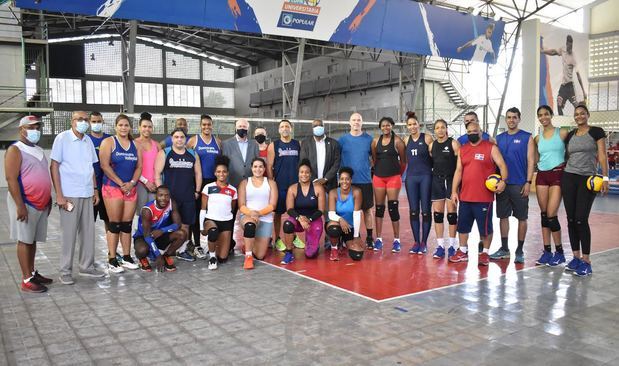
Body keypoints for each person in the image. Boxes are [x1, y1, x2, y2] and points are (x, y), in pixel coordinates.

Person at [51, 111, 106, 284]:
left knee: (88, 233)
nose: (82, 122)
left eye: (85, 120)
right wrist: (59, 195)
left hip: (87, 193)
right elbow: (54, 166)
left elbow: (91, 168)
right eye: (79, 119)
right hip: (69, 194)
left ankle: (86, 266)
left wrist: (95, 190)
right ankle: (65, 270)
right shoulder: (62, 138)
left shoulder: (88, 140)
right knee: (69, 234)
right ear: (72, 121)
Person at [449, 121, 508, 266]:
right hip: (465, 196)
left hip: (484, 197)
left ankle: (485, 253)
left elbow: (502, 166)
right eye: (469, 132)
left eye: (475, 131)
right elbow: (458, 171)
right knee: (462, 227)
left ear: (481, 131)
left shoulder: (491, 147)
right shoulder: (463, 149)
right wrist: (453, 191)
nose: (472, 134)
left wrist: (503, 181)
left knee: (486, 229)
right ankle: (462, 251)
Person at [5, 116, 53, 292]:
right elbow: (11, 179)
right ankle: (26, 279)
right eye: (31, 127)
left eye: (37, 127)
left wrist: (48, 198)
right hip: (25, 202)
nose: (35, 130)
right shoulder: (15, 150)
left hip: (40, 203)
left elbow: (42, 175)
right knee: (24, 240)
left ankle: (32, 272)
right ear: (21, 129)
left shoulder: (39, 150)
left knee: (32, 239)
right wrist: (20, 205)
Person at [562, 104, 609, 276]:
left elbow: (602, 155)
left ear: (588, 115)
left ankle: (586, 260)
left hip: (587, 179)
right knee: (571, 219)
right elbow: (567, 156)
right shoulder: (571, 135)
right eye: (576, 114)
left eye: (582, 113)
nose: (579, 116)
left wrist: (605, 177)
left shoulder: (596, 131)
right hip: (569, 178)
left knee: (581, 219)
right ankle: (575, 257)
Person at [490, 107, 534, 264]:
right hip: (503, 184)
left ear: (519, 119)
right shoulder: (499, 138)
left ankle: (520, 250)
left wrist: (528, 182)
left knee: (522, 218)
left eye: (514, 117)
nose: (511, 120)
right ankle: (504, 249)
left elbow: (531, 161)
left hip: (520, 184)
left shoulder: (527, 137)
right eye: (508, 117)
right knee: (503, 216)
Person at [99, 114, 142, 273]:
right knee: (115, 224)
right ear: (115, 127)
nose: (124, 128)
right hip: (112, 187)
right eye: (121, 125)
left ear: (130, 127)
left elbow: (139, 167)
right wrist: (120, 183)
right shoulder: (109, 142)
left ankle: (126, 256)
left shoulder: (135, 145)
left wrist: (131, 183)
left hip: (130, 188)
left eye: (126, 125)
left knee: (127, 224)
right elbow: (104, 165)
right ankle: (112, 259)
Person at [155, 128, 202, 262]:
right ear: (172, 139)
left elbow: (198, 173)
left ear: (186, 139)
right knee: (169, 224)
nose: (179, 139)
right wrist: (161, 194)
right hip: (171, 197)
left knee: (186, 224)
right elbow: (157, 174)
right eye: (176, 137)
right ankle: (165, 250)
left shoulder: (193, 153)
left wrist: (197, 191)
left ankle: (182, 250)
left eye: (182, 137)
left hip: (188, 195)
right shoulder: (165, 152)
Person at [533, 105, 567, 266]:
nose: (543, 117)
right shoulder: (537, 138)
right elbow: (535, 158)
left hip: (558, 173)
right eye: (540, 115)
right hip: (542, 175)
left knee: (552, 214)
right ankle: (547, 251)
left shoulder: (562, 132)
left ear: (551, 115)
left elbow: (572, 152)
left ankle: (560, 252)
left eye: (546, 114)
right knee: (544, 214)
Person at [222, 118, 259, 252]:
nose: (242, 128)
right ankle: (228, 243)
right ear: (235, 128)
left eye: (244, 126)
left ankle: (251, 243)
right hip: (232, 184)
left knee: (249, 215)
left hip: (249, 186)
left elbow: (256, 162)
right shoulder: (226, 144)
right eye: (240, 126)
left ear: (248, 129)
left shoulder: (254, 144)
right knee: (229, 216)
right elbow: (225, 164)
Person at [187, 114, 222, 260]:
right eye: (204, 125)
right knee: (196, 213)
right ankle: (195, 244)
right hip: (198, 182)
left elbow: (221, 164)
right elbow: (187, 158)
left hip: (214, 182)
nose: (206, 127)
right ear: (200, 126)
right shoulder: (194, 140)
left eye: (209, 124)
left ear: (212, 125)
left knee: (212, 212)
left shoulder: (218, 142)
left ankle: (215, 242)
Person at [339, 112, 375, 249]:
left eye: (358, 120)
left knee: (366, 210)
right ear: (349, 122)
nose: (356, 122)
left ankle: (370, 237)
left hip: (365, 181)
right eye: (353, 120)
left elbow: (374, 159)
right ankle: (353, 235)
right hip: (348, 183)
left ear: (362, 122)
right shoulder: (342, 140)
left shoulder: (368, 139)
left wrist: (365, 168)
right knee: (349, 211)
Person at [371, 116, 406, 252]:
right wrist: (379, 171)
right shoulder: (375, 141)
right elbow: (374, 159)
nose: (385, 127)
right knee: (379, 209)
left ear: (392, 126)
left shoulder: (398, 141)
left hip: (393, 178)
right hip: (379, 177)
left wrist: (397, 174)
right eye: (383, 126)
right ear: (380, 127)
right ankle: (378, 239)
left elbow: (403, 162)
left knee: (393, 208)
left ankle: (396, 240)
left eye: (388, 125)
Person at [281, 160, 326, 264]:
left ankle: (312, 243)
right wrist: (300, 218)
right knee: (287, 224)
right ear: (298, 173)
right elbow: (290, 209)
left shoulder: (318, 188)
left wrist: (309, 219)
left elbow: (321, 210)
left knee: (310, 255)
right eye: (301, 172)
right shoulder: (292, 188)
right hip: (298, 219)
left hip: (313, 219)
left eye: (306, 172)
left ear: (310, 174)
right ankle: (289, 253)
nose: (304, 174)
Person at [267, 119, 303, 251]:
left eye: (287, 126)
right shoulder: (273, 145)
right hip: (280, 185)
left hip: (294, 186)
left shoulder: (297, 144)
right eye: (282, 126)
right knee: (278, 213)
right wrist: (272, 185)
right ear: (279, 130)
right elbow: (269, 166)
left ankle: (292, 237)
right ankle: (277, 239)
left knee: (293, 213)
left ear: (291, 128)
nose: (284, 128)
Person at [133, 185, 186, 272]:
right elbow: (147, 236)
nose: (164, 198)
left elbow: (177, 224)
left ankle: (166, 256)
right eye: (160, 195)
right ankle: (142, 258)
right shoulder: (147, 210)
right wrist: (158, 256)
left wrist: (162, 230)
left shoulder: (171, 203)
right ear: (155, 196)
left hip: (160, 234)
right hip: (144, 237)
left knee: (182, 234)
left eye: (167, 195)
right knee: (142, 250)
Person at [428, 119, 460, 259]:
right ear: (434, 130)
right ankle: (440, 246)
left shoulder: (453, 143)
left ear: (446, 129)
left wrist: (457, 185)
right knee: (438, 214)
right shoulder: (431, 146)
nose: (440, 130)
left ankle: (452, 245)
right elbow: (431, 163)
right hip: (437, 181)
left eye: (442, 127)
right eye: (437, 128)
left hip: (451, 180)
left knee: (452, 214)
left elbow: (460, 166)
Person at [199, 156, 237, 270]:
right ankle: (211, 257)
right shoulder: (208, 187)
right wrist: (201, 227)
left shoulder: (233, 190)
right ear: (215, 173)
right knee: (213, 232)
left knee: (223, 258)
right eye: (219, 171)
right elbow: (203, 209)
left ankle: (229, 244)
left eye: (224, 171)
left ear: (228, 173)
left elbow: (232, 208)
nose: (222, 174)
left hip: (226, 222)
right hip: (211, 220)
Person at [403, 112, 433, 254]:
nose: (412, 126)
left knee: (426, 211)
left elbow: (435, 156)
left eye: (414, 123)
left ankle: (424, 243)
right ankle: (416, 242)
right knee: (414, 211)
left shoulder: (427, 138)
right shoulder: (405, 140)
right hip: (411, 178)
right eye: (409, 124)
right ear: (407, 126)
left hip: (426, 177)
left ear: (419, 125)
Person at [238, 158, 278, 265]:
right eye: (255, 166)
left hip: (265, 218)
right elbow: (241, 205)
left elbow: (273, 205)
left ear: (264, 168)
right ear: (251, 168)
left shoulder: (271, 183)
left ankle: (249, 243)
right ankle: (248, 257)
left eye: (260, 166)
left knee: (260, 256)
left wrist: (258, 213)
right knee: (250, 225)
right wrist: (252, 213)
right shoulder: (245, 183)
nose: (258, 169)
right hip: (248, 216)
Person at [542, 35, 587, 116]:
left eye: (571, 46)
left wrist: (583, 92)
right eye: (569, 46)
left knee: (576, 106)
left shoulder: (573, 57)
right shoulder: (563, 49)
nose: (570, 48)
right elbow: (553, 52)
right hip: (563, 86)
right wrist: (543, 51)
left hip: (570, 87)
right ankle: (562, 121)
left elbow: (578, 76)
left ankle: (581, 118)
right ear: (566, 44)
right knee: (559, 104)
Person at [326, 167, 364, 261]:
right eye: (342, 179)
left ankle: (343, 241)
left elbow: (357, 215)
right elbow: (331, 214)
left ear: (351, 180)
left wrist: (356, 236)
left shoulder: (356, 192)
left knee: (356, 255)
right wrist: (341, 219)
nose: (344, 181)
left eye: (347, 179)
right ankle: (334, 249)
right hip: (336, 224)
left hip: (349, 227)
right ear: (339, 180)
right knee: (334, 229)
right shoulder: (333, 192)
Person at [299, 119, 341, 193]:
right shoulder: (305, 143)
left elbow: (336, 163)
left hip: (330, 184)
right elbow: (304, 162)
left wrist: (326, 178)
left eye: (320, 125)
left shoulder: (334, 143)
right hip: (311, 184)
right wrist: (314, 180)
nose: (318, 127)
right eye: (315, 126)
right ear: (312, 129)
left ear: (324, 127)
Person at [88, 111, 111, 233]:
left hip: (107, 187)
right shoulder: (86, 140)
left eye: (99, 121)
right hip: (91, 188)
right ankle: (88, 250)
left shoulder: (110, 139)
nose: (96, 124)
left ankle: (111, 250)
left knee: (109, 220)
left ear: (102, 122)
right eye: (94, 122)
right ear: (89, 123)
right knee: (89, 222)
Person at [134, 112, 160, 216]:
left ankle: (151, 233)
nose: (147, 129)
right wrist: (145, 182)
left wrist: (157, 182)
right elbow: (133, 167)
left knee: (153, 214)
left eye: (150, 127)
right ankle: (140, 233)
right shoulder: (133, 143)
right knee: (141, 214)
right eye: (144, 126)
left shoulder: (157, 145)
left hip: (154, 185)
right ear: (139, 127)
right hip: (139, 183)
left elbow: (160, 167)